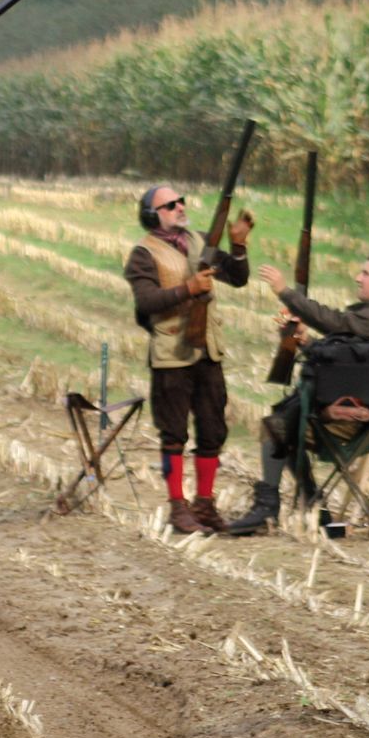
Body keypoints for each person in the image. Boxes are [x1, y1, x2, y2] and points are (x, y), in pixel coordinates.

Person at [226, 252, 369, 537]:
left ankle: (272, 507)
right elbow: (342, 356)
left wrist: (285, 292)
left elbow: (335, 324)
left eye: (365, 273)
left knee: (278, 427)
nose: (358, 277)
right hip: (357, 403)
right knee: (280, 425)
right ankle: (311, 506)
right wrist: (304, 341)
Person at [123, 184, 253, 533]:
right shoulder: (142, 254)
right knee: (173, 434)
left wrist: (238, 246)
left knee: (212, 430)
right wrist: (189, 289)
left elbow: (238, 279)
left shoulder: (200, 240)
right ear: (154, 215)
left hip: (208, 350)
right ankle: (179, 508)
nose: (180, 206)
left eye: (181, 200)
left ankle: (205, 506)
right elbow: (146, 302)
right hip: (171, 355)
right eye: (170, 204)